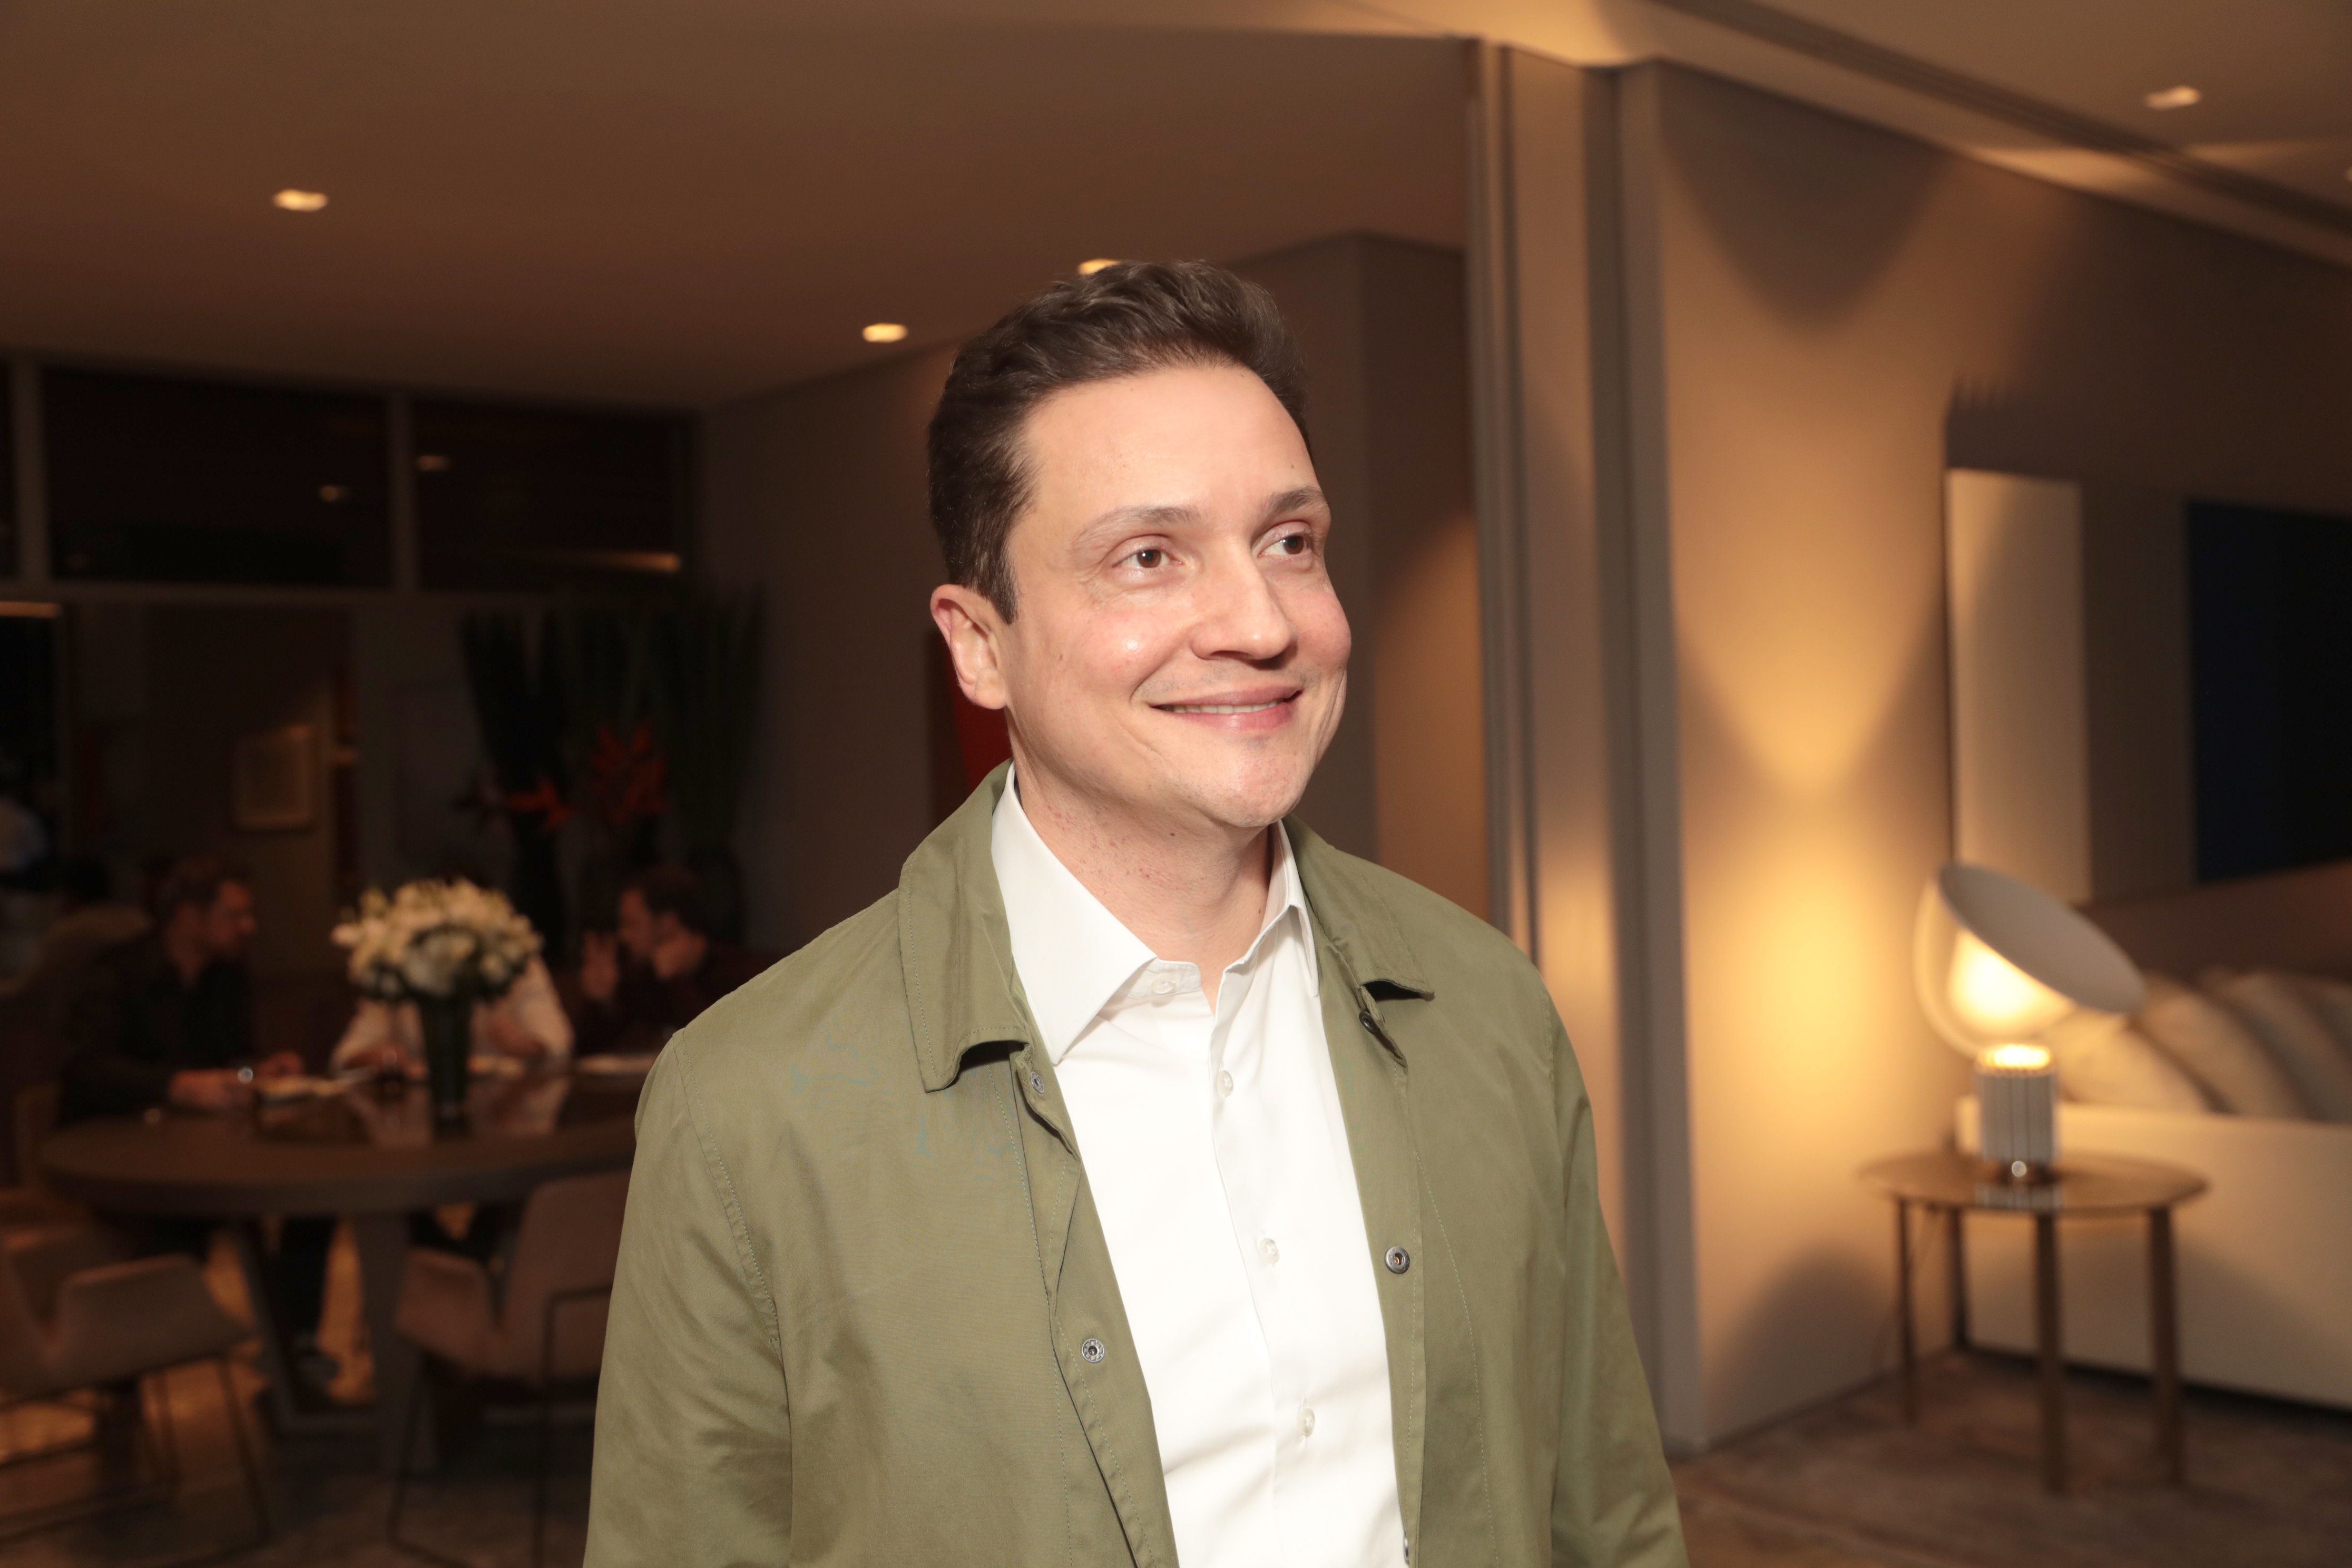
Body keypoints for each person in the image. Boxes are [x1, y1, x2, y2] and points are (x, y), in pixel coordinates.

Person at [587, 263, 1686, 1567]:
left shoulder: (1485, 1004)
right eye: (1148, 557)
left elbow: (1608, 1516)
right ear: (978, 644)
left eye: (1289, 542)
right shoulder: (751, 1106)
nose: (1260, 622)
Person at [58, 857, 336, 1383]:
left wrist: (258, 1071)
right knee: (177, 1235)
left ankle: (294, 1346)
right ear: (188, 916)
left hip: (205, 1151)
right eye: (236, 915)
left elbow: (230, 1061)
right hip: (127, 1158)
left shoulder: (226, 976)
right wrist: (173, 1085)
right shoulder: (116, 972)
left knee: (312, 1197)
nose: (249, 926)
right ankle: (121, 1372)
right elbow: (84, 1067)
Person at [571, 865, 762, 1056]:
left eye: (632, 924)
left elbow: (715, 1048)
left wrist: (676, 980)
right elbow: (584, 1053)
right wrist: (604, 1003)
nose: (623, 935)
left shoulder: (743, 976)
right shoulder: (643, 974)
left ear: (667, 923)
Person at [332, 953, 573, 1074]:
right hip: (416, 1120)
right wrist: (374, 1058)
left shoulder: (514, 958)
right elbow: (344, 1058)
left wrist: (530, 1046)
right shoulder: (397, 962)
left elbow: (559, 1042)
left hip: (509, 1114)